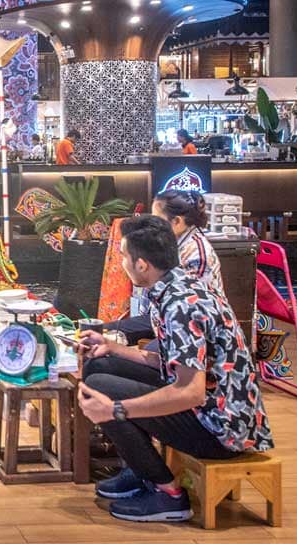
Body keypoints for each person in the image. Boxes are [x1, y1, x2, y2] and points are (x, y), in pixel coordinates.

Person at [79, 215, 272, 523]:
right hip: (208, 406)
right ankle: (140, 469)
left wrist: (116, 409)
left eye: (124, 257)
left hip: (220, 429)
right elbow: (175, 362)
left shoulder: (182, 304)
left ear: (142, 264)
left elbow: (190, 392)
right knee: (99, 364)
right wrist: (114, 347)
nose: (122, 263)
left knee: (102, 388)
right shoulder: (175, 285)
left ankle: (168, 494)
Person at [108, 189, 224, 344]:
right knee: (104, 331)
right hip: (163, 316)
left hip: (192, 333)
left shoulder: (197, 254)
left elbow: (185, 312)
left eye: (157, 219)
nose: (152, 225)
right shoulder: (172, 242)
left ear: (176, 221)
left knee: (111, 343)